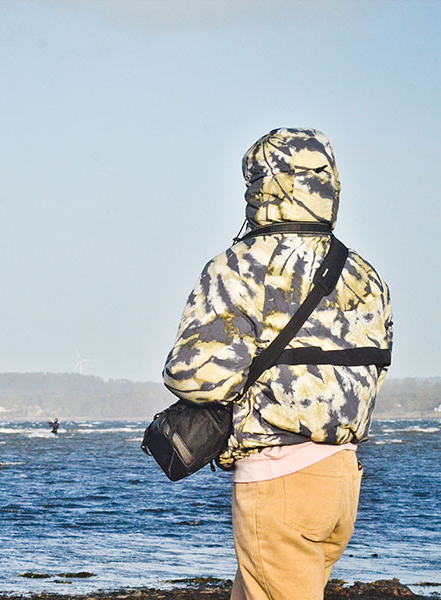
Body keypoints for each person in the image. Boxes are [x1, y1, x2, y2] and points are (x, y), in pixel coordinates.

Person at [162, 128, 393, 600]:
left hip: (279, 480)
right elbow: (376, 366)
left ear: (264, 186)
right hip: (342, 480)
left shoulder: (240, 266)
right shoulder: (363, 273)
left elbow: (195, 376)